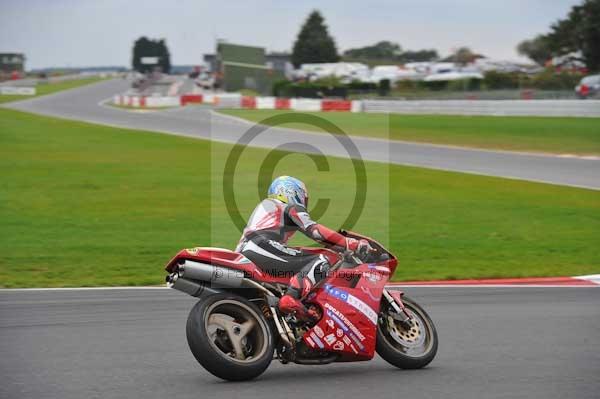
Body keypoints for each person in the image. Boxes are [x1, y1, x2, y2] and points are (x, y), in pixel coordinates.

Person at [236, 176, 372, 321]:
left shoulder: (268, 206)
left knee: (298, 259)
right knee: (324, 257)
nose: (304, 203)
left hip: (245, 251)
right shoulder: (286, 206)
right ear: (291, 191)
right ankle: (291, 297)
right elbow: (315, 231)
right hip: (260, 246)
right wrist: (350, 243)